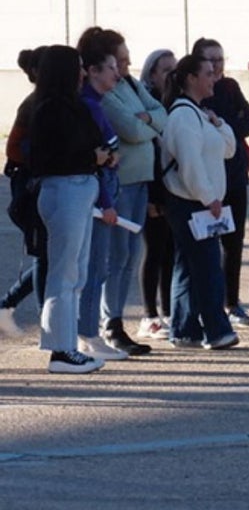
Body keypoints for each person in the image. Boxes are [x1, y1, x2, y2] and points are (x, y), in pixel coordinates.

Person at [28, 45, 114, 374]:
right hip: (64, 190)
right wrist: (94, 157)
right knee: (63, 274)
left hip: (80, 189)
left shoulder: (72, 105)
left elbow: (90, 139)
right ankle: (60, 351)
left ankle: (69, 344)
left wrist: (101, 155)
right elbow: (54, 156)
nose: (82, 73)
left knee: (75, 272)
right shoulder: (49, 108)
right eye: (77, 67)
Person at [159, 53, 239, 350]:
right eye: (207, 72)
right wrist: (209, 198)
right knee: (207, 267)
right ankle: (216, 330)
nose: (214, 77)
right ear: (191, 78)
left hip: (201, 201)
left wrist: (218, 123)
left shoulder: (200, 113)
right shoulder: (182, 115)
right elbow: (190, 163)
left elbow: (229, 149)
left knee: (189, 266)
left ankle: (184, 329)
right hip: (191, 202)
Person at [98, 37, 167, 355]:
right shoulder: (107, 93)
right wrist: (149, 122)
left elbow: (159, 113)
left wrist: (149, 120)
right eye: (120, 61)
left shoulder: (129, 85)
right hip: (120, 183)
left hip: (142, 180)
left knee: (129, 257)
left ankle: (116, 319)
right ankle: (108, 322)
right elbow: (131, 130)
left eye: (126, 61)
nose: (125, 67)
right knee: (115, 257)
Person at [191, 38, 249, 328]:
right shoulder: (196, 91)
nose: (218, 65)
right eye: (211, 60)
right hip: (207, 179)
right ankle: (203, 305)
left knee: (234, 243)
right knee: (205, 244)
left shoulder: (229, 87)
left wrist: (224, 125)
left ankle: (232, 302)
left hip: (234, 177)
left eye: (221, 59)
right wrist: (225, 127)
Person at [75, 27, 129, 363]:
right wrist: (106, 204)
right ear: (93, 70)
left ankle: (89, 330)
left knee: (99, 264)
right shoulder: (88, 105)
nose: (117, 73)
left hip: (105, 186)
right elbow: (99, 158)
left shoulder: (97, 103)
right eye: (111, 66)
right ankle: (87, 334)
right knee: (93, 266)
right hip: (97, 194)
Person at [1, 46, 47, 336]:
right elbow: (13, 148)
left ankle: (6, 304)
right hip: (34, 190)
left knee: (50, 256)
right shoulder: (33, 104)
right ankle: (48, 323)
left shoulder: (48, 101)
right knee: (45, 256)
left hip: (43, 186)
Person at [135, 48, 177, 341]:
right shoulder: (145, 101)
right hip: (151, 184)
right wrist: (151, 198)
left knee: (170, 253)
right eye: (166, 70)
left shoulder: (174, 101)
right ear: (152, 73)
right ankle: (149, 315)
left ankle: (170, 312)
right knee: (154, 250)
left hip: (173, 186)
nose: (171, 76)